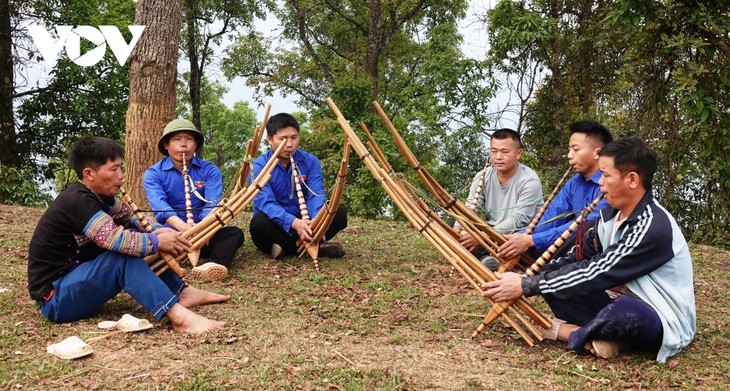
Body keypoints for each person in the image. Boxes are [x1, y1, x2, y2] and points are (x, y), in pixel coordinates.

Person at [482, 137, 695, 362]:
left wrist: (526, 286)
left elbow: (599, 271)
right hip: (611, 302)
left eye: (606, 175)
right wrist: (524, 278)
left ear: (632, 179)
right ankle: (606, 337)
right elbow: (577, 259)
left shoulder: (652, 226)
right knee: (558, 280)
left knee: (626, 312)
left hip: (658, 315)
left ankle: (569, 333)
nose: (600, 183)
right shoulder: (607, 218)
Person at [28, 136, 228, 333]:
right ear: (89, 173)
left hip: (78, 280)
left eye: (120, 168)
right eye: (114, 169)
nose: (121, 175)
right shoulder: (76, 201)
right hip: (56, 299)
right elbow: (116, 239)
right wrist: (157, 241)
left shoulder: (101, 197)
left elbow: (131, 216)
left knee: (136, 236)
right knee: (123, 255)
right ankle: (180, 318)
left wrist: (158, 231)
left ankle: (183, 292)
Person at [143, 119, 244, 281]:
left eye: (189, 139)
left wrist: (201, 230)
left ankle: (211, 265)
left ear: (196, 144)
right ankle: (170, 265)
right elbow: (160, 206)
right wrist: (183, 228)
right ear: (166, 145)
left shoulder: (209, 170)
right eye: (177, 139)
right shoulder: (153, 174)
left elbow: (212, 204)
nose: (184, 144)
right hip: (173, 236)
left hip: (205, 234)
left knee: (234, 234)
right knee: (148, 240)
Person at [497, 120, 612, 261]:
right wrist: (523, 236)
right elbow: (551, 217)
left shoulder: (610, 183)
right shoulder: (574, 183)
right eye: (569, 149)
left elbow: (587, 225)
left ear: (597, 153)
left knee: (586, 228)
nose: (569, 155)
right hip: (568, 243)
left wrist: (533, 240)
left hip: (593, 248)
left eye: (576, 149)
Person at [249, 113, 348, 260]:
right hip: (277, 225)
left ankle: (287, 248)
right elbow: (266, 203)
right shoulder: (259, 166)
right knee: (259, 223)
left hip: (306, 222)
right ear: (270, 139)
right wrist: (293, 222)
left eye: (294, 138)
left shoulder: (310, 161)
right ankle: (315, 247)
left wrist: (315, 222)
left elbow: (316, 194)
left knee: (339, 214)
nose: (290, 144)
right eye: (283, 139)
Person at [456, 128, 543, 256]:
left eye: (504, 152)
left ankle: (489, 258)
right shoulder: (483, 176)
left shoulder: (529, 181)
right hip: (490, 232)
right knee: (455, 222)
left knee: (516, 242)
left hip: (516, 235)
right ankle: (480, 254)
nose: (498, 157)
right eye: (494, 151)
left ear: (518, 154)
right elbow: (471, 208)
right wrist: (457, 229)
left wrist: (481, 237)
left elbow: (518, 220)